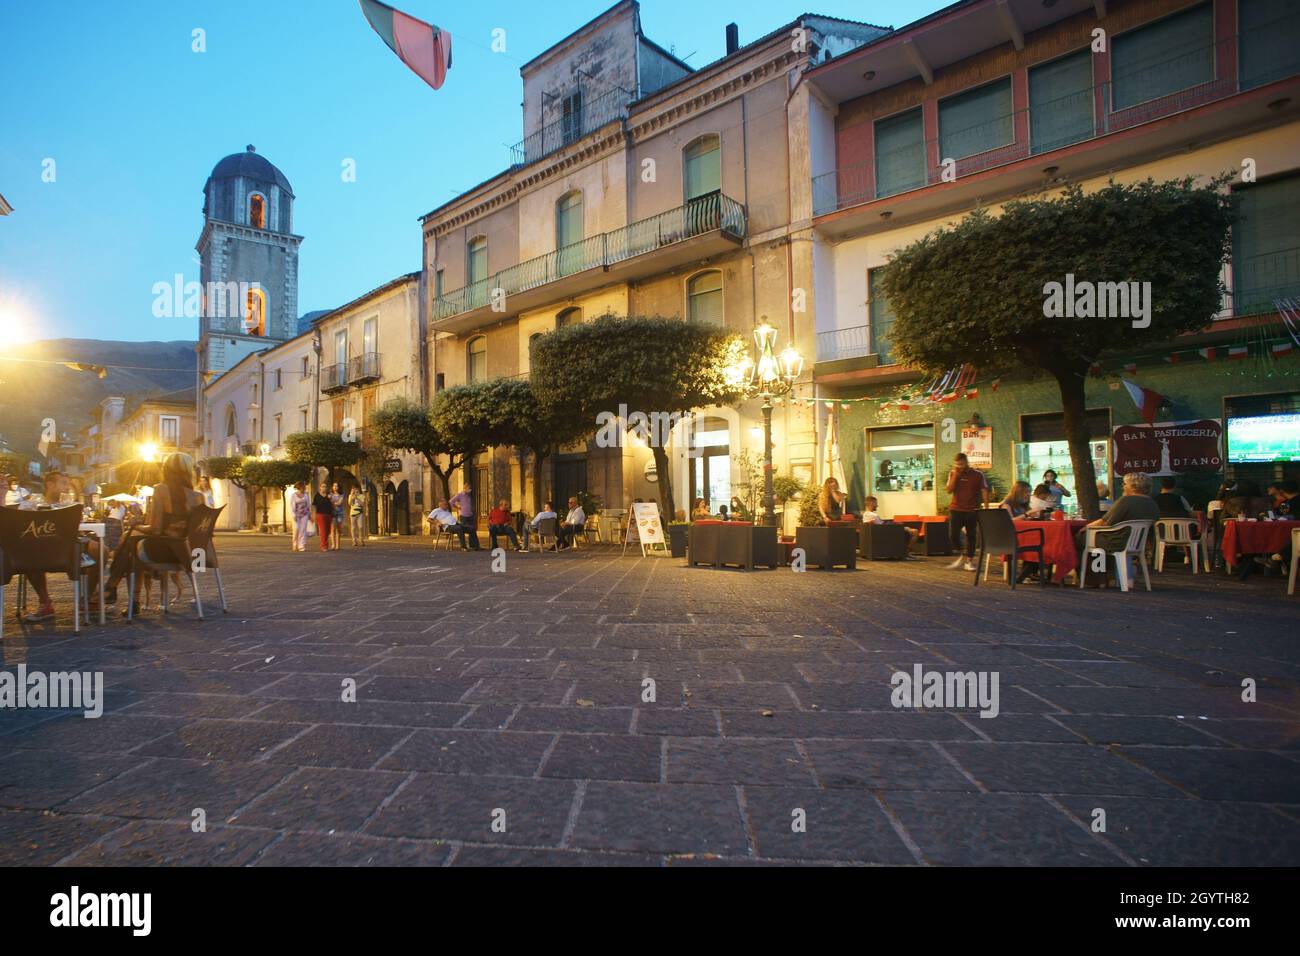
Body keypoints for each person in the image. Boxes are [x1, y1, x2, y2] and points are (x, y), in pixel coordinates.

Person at [1075, 471, 1160, 582]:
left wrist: (1085, 528)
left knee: (1080, 537)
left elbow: (1104, 522)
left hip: (1117, 541)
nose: (1123, 487)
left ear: (1134, 486)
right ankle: (1109, 574)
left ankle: (1093, 577)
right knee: (1092, 539)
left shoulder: (1126, 501)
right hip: (1137, 543)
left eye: (1125, 484)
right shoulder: (1152, 504)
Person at [945, 453, 989, 571]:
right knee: (953, 535)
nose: (960, 466)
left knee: (971, 536)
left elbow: (984, 490)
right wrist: (956, 475)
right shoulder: (953, 473)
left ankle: (969, 561)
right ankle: (962, 552)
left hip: (972, 509)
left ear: (966, 462)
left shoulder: (977, 474)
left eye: (962, 464)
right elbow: (949, 490)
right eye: (958, 464)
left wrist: (986, 507)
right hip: (956, 509)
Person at [449, 485, 480, 550]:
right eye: (468, 489)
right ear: (465, 488)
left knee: (472, 529)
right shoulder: (460, 495)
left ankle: (474, 546)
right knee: (463, 529)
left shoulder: (469, 496)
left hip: (470, 515)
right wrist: (457, 507)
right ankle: (463, 546)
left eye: (470, 489)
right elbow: (451, 501)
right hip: (463, 516)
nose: (469, 490)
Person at [311, 482, 334, 552]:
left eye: (325, 487)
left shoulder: (329, 495)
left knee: (327, 531)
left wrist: (331, 498)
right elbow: (314, 506)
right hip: (320, 515)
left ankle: (326, 545)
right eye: (323, 486)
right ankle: (323, 546)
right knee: (323, 530)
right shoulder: (317, 496)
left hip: (329, 514)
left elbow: (332, 505)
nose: (324, 488)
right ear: (320, 488)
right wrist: (313, 514)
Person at [290, 481, 311, 551]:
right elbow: (292, 506)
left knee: (303, 530)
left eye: (304, 487)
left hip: (304, 514)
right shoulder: (293, 495)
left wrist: (309, 514)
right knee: (296, 529)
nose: (304, 488)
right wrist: (294, 515)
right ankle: (295, 543)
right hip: (296, 515)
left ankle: (301, 545)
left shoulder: (306, 495)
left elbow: (308, 505)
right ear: (299, 487)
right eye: (303, 487)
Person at [329, 482, 345, 551]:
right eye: (334, 486)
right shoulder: (330, 494)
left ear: (339, 487)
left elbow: (339, 503)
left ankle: (338, 545)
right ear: (332, 487)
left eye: (337, 486)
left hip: (340, 513)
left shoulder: (342, 495)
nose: (335, 487)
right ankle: (333, 545)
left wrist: (332, 502)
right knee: (332, 529)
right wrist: (334, 503)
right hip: (332, 513)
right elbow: (331, 502)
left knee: (338, 529)